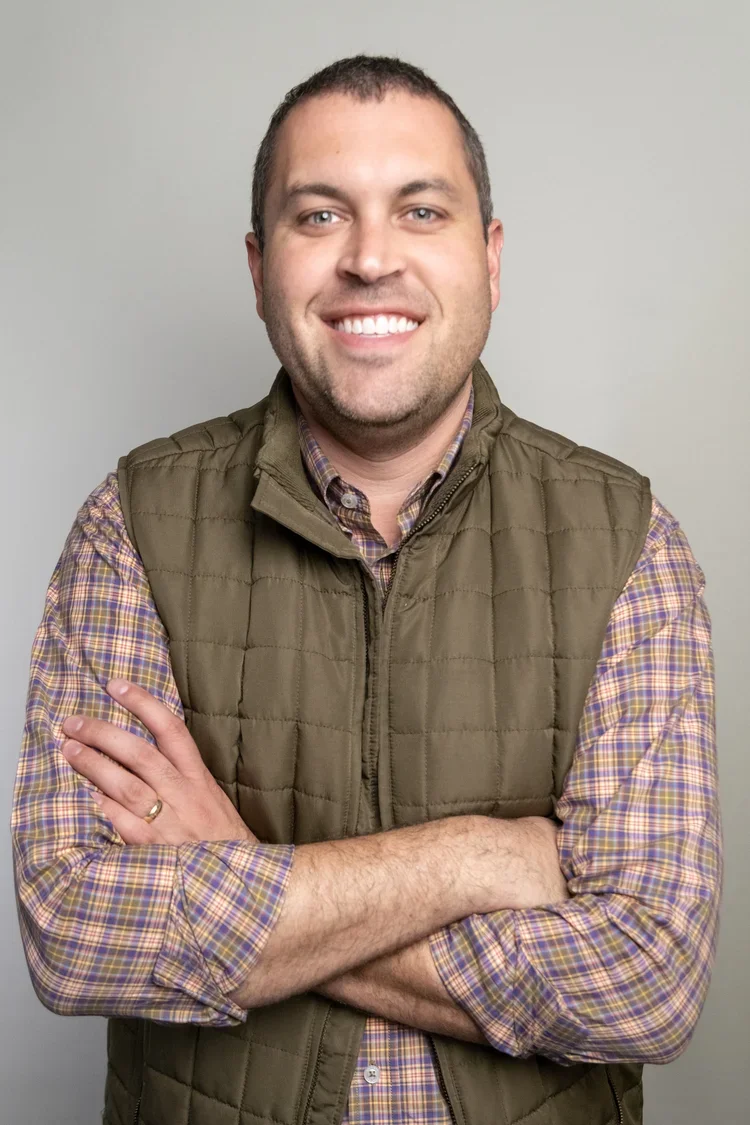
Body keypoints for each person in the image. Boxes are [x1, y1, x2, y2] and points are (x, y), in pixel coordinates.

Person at [11, 54, 721, 1125]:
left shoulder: (629, 541)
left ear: (489, 256)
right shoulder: (134, 524)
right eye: (318, 215)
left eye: (420, 210)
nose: (370, 258)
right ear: (259, 266)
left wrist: (237, 873)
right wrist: (481, 857)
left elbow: (649, 984)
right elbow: (74, 931)